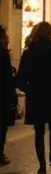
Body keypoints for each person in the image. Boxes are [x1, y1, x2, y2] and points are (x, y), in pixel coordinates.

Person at [15, 22, 51, 173]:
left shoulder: (28, 53)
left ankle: (42, 165)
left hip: (36, 95)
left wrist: (29, 89)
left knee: (39, 131)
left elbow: (20, 79)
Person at [0, 26, 17, 165]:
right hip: (2, 93)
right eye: (5, 36)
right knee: (1, 125)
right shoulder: (3, 53)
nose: (7, 39)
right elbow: (6, 76)